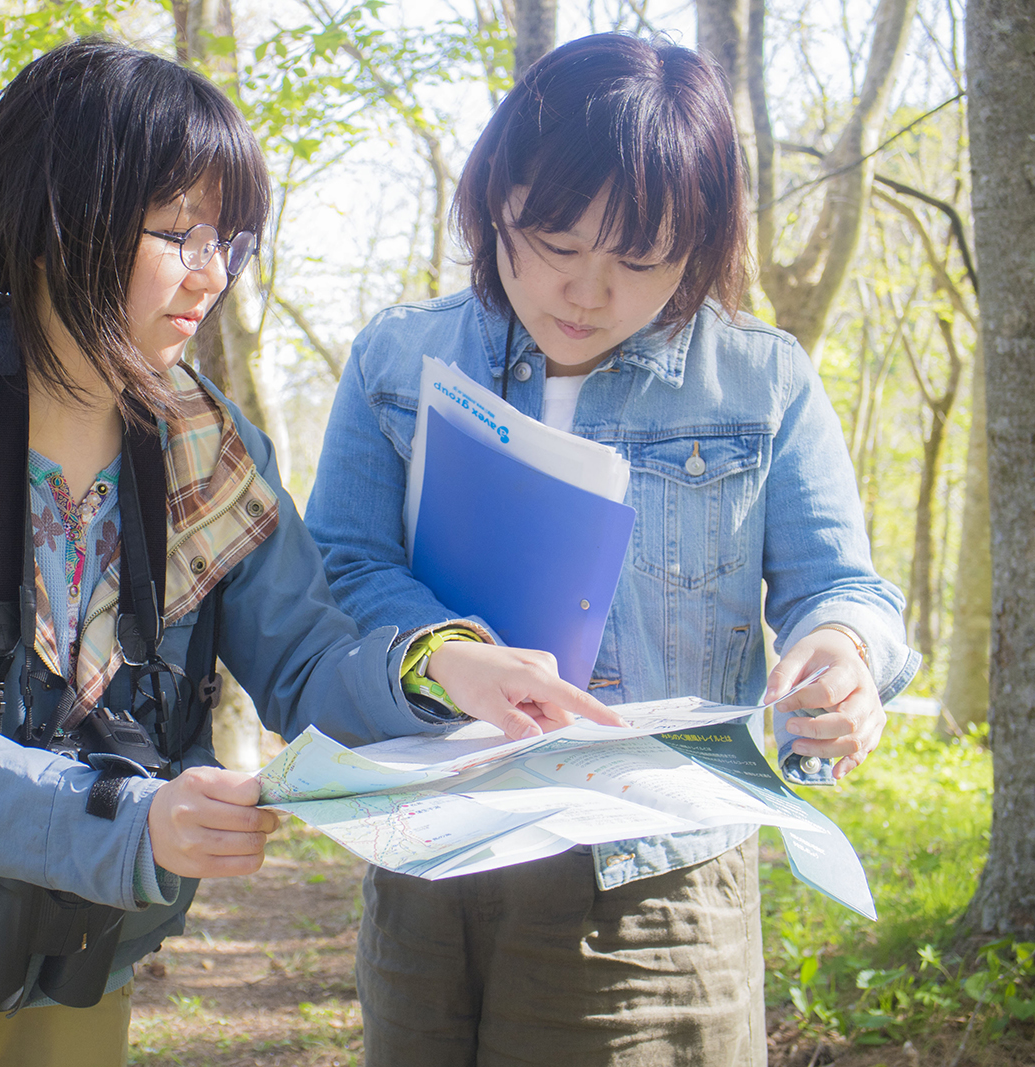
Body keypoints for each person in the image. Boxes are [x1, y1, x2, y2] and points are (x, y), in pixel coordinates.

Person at [0, 38, 621, 1067]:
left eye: (230, 241)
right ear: (65, 220)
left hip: (63, 942)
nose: (213, 274)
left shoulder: (209, 445)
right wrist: (134, 819)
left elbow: (304, 662)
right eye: (178, 233)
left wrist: (442, 664)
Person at [303, 32, 920, 1067]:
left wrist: (846, 654)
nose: (586, 291)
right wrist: (446, 650)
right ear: (495, 196)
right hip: (430, 865)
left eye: (637, 260)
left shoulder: (757, 380)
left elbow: (841, 585)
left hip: (652, 883)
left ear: (700, 244)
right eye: (552, 241)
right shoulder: (398, 357)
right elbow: (341, 570)